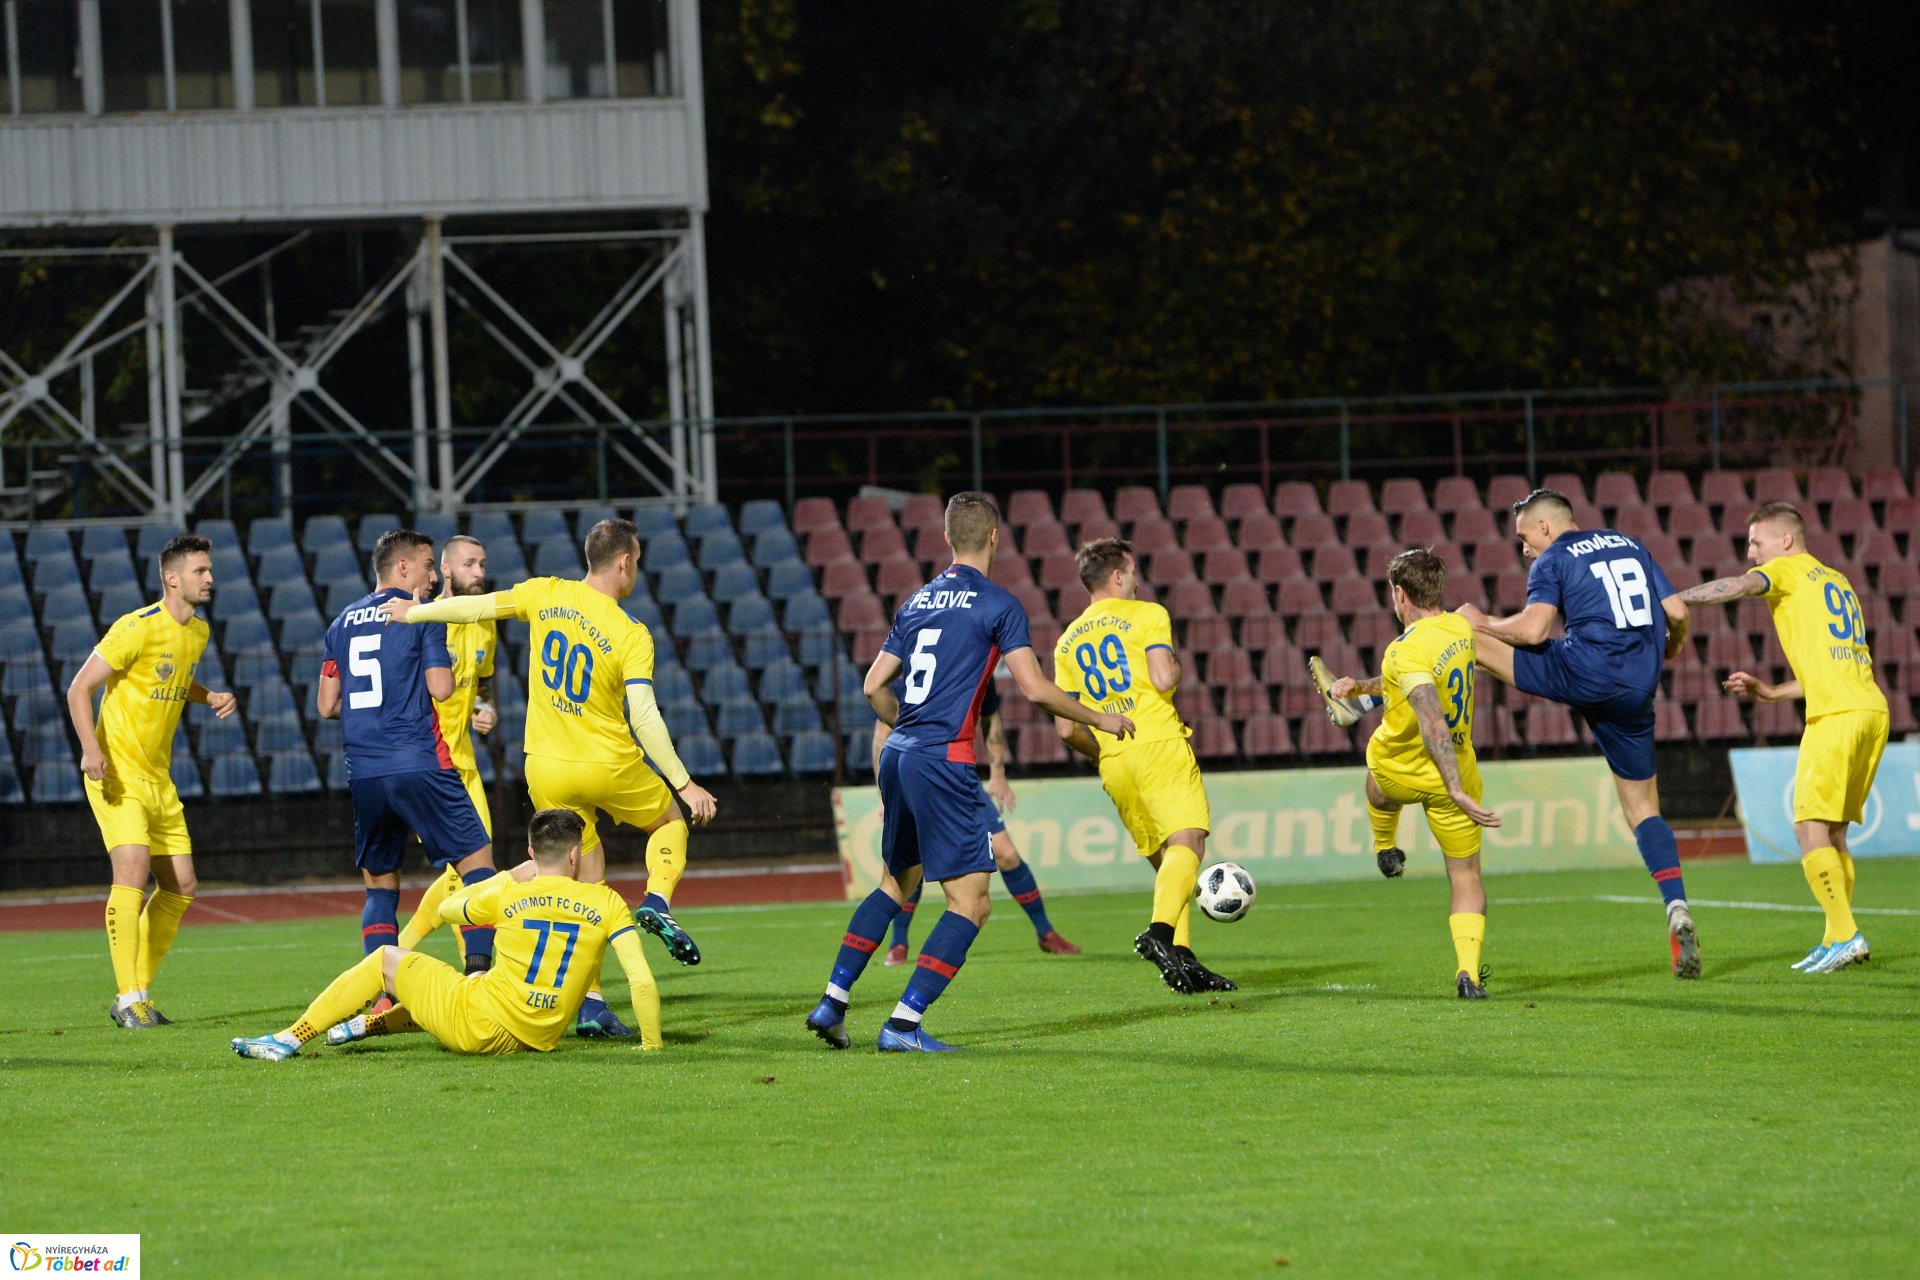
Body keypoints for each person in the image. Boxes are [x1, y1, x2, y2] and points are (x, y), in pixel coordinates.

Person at [804, 493, 1133, 1053]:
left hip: (900, 754)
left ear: (948, 540)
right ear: (996, 538)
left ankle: (833, 1002)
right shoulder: (999, 605)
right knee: (972, 903)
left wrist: (906, 727)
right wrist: (1099, 715)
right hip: (942, 757)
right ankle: (903, 1024)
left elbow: (871, 684)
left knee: (895, 882)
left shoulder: (917, 601)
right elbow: (1032, 688)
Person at [382, 517, 718, 1038]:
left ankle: (591, 1004)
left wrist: (415, 612)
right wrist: (684, 782)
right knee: (669, 822)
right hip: (608, 763)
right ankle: (657, 901)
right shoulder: (631, 632)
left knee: (584, 875)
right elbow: (645, 716)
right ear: (624, 562)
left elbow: (476, 606)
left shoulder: (545, 594)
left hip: (545, 768)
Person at [1454, 488, 1699, 979]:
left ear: (1545, 527)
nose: (1524, 550)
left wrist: (1481, 618)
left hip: (1586, 670)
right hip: (1638, 686)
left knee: (1467, 639)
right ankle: (1676, 904)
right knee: (1643, 809)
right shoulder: (1630, 543)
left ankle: (1375, 698)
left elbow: (1534, 631)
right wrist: (1671, 648)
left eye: (1524, 538)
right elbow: (1677, 613)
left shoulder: (1554, 559)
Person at [231, 808, 661, 1060]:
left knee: (386, 960)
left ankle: (289, 1039)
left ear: (532, 852)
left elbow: (448, 908)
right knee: (465, 984)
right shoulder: (606, 903)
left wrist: (507, 875)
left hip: (480, 1026)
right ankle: (365, 1027)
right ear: (575, 853)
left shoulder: (510, 891)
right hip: (535, 1038)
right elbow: (640, 979)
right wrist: (651, 1045)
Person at [1677, 501, 1890, 973]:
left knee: (1807, 827)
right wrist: (1770, 691)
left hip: (1835, 716)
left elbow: (1738, 585)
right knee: (1833, 832)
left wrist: (1676, 599)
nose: (1752, 552)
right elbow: (1830, 668)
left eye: (1756, 542)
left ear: (1786, 540)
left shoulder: (1787, 569)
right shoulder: (1837, 580)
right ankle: (1836, 936)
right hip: (1870, 710)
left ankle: (1848, 934)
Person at [319, 530, 497, 1005]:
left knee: (380, 887)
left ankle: (381, 995)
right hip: (420, 761)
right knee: (479, 867)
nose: (433, 576)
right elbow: (441, 688)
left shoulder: (340, 622)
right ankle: (479, 977)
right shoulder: (423, 615)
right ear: (401, 568)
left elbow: (326, 703)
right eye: (425, 565)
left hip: (365, 770)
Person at [66, 533, 236, 1029]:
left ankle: (139, 993)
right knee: (132, 870)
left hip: (158, 777)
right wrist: (91, 750)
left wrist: (210, 696)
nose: (209, 578)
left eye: (209, 569)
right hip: (116, 770)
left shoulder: (197, 633)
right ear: (172, 578)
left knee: (182, 885)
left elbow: (175, 681)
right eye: (200, 571)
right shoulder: (135, 628)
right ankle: (127, 998)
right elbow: (80, 688)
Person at [1053, 537, 1235, 996]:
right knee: (1189, 841)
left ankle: (1185, 958)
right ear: (1117, 576)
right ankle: (1159, 935)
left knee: (1169, 863)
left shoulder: (1067, 640)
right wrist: (1174, 664)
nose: (1135, 581)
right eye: (1131, 572)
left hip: (1114, 759)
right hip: (1158, 742)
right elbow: (1161, 678)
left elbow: (1065, 729)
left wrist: (1106, 752)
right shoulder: (1148, 614)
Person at [1317, 548, 1501, 998]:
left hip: (1401, 770)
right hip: (1454, 772)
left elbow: (1429, 712)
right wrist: (1362, 688)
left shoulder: (1404, 647)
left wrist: (1454, 788)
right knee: (1466, 878)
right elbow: (1408, 681)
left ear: (1400, 594)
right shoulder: (1460, 628)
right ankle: (1468, 974)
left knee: (1376, 784)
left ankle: (1384, 844)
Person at [882, 679, 1080, 963]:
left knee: (1007, 854)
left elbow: (992, 718)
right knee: (915, 862)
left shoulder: (979, 668)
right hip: (916, 773)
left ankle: (1045, 932)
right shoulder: (914, 668)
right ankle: (898, 942)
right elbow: (881, 730)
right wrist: (887, 788)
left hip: (959, 776)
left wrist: (998, 773)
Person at [396, 534, 499, 970]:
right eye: (470, 564)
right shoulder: (422, 618)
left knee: (475, 870)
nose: (479, 572)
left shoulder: (486, 620)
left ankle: (396, 955)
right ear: (447, 569)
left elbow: (485, 682)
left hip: (467, 767)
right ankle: (476, 971)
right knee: (468, 872)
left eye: (482, 564)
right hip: (430, 766)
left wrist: (485, 707)